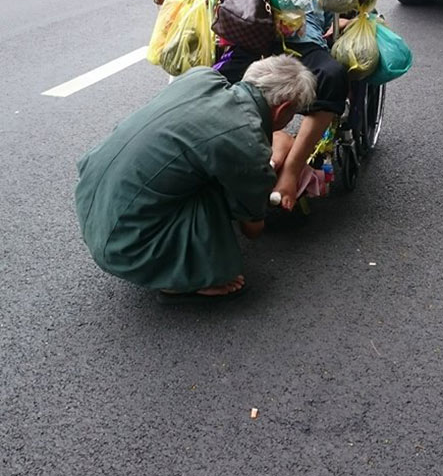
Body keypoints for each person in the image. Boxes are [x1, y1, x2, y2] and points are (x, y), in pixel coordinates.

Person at [75, 57, 316, 302]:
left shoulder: (201, 77)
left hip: (92, 205)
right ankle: (187, 281)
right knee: (218, 191)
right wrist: (267, 181)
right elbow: (252, 229)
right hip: (126, 248)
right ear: (283, 109)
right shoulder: (246, 141)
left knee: (201, 168)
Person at [215, 8, 349, 212]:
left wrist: (344, 22)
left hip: (305, 40)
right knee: (220, 78)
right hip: (254, 33)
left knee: (332, 77)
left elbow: (351, 7)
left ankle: (291, 169)